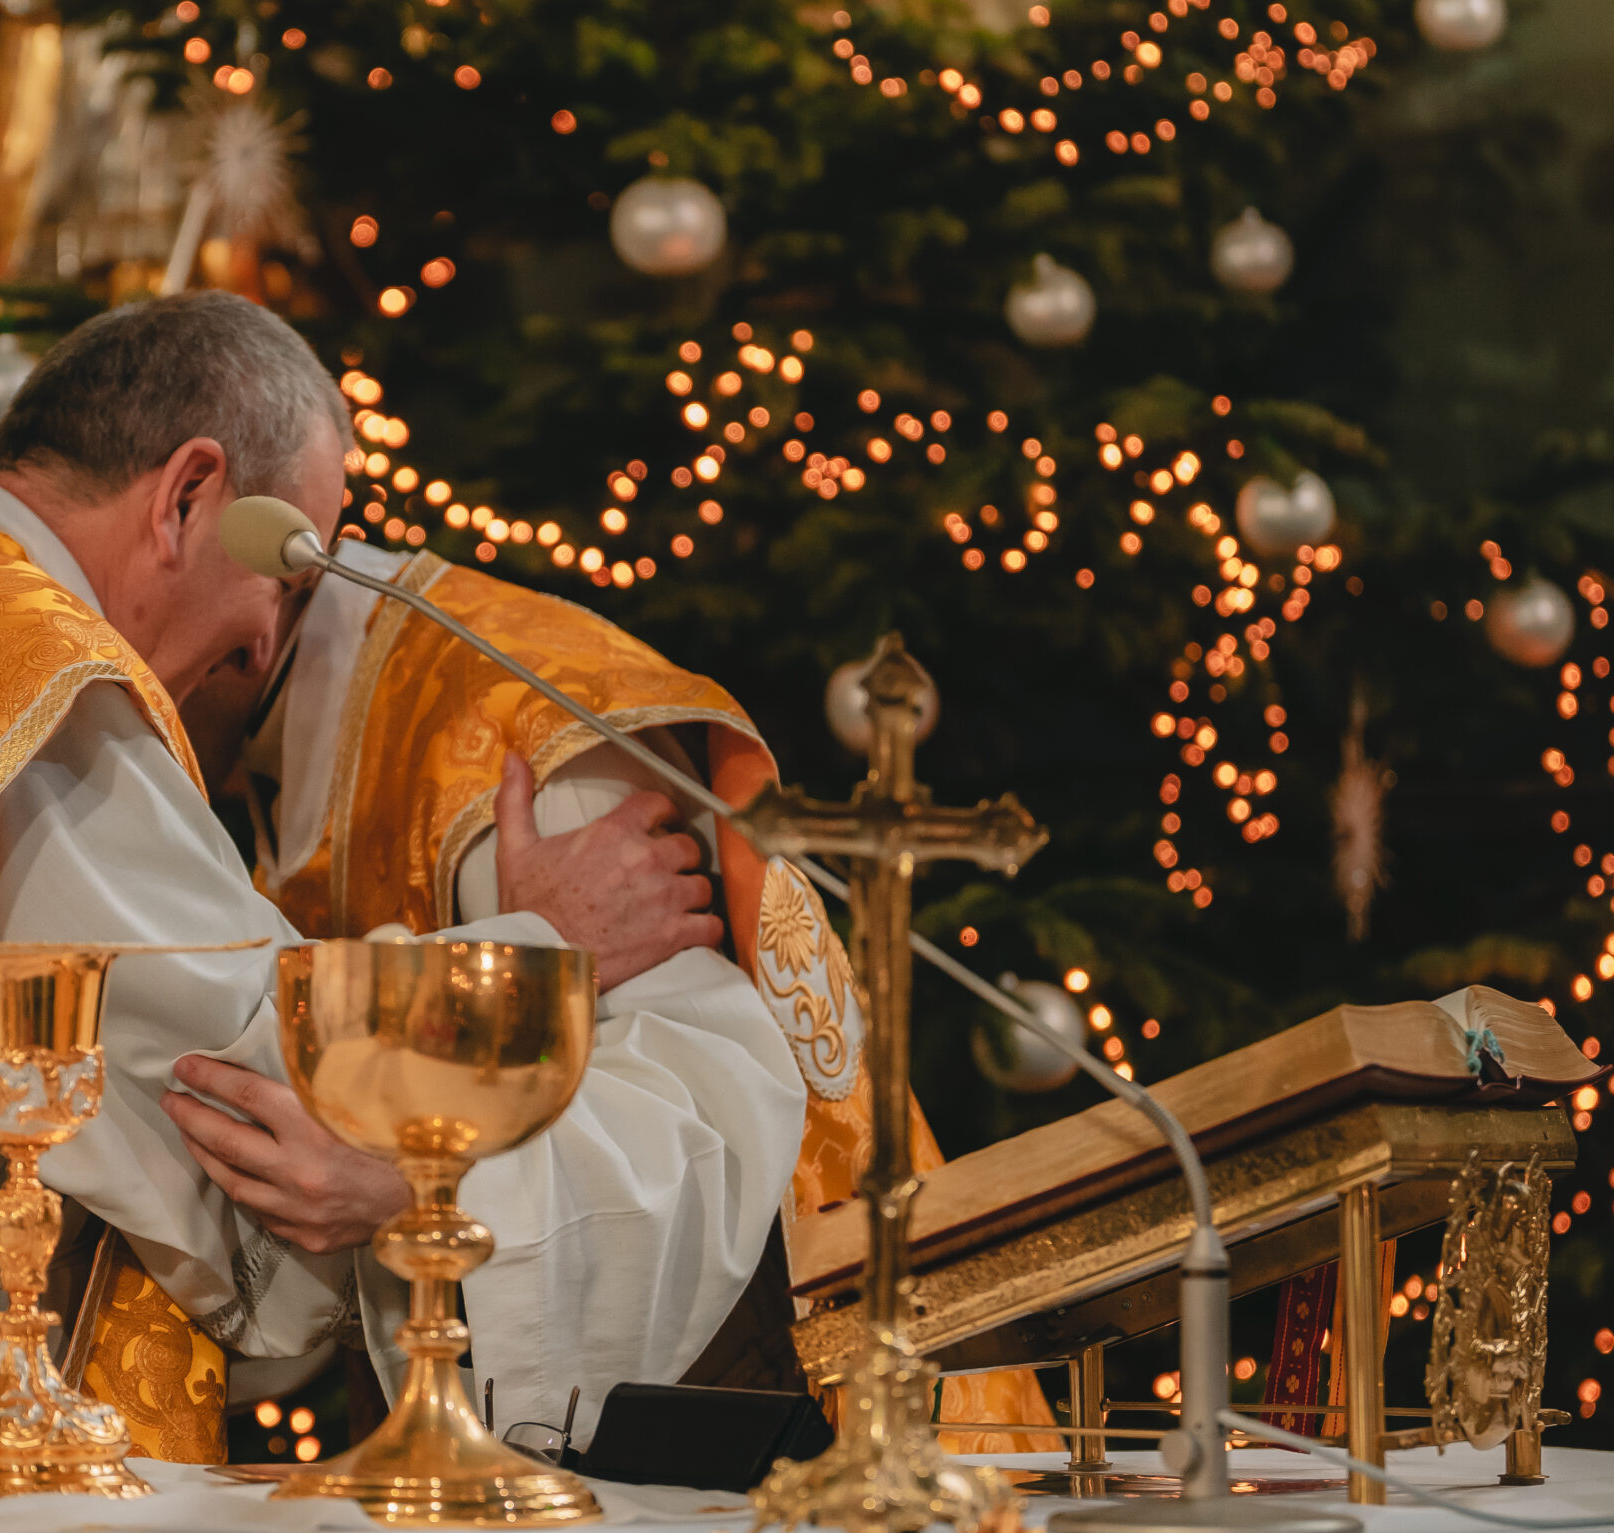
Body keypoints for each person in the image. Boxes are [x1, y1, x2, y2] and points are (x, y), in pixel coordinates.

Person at [0, 292, 723, 1479]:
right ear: (187, 495)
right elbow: (254, 1091)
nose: (264, 647)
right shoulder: (26, 673)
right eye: (286, 573)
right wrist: (540, 949)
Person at [174, 536, 1060, 1451]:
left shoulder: (512, 719)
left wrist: (423, 1190)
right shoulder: (295, 727)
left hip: (754, 1413)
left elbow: (706, 1110)